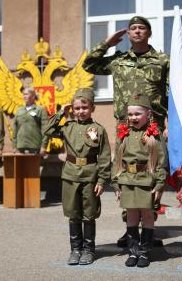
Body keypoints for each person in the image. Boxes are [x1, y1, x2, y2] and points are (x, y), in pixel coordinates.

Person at [83, 15, 170, 247]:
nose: (137, 31)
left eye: (142, 28)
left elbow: (174, 92)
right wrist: (107, 44)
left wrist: (170, 124)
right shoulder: (118, 60)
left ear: (149, 33)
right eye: (133, 28)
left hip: (154, 125)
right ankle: (130, 229)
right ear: (128, 34)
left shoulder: (162, 60)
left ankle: (149, 229)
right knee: (128, 170)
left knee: (150, 172)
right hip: (124, 125)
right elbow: (88, 64)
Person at [43, 88, 111, 266]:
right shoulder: (67, 127)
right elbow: (47, 130)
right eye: (77, 108)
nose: (81, 111)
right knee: (73, 214)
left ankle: (89, 250)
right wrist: (62, 113)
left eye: (84, 107)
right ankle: (75, 250)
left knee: (89, 215)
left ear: (92, 108)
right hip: (71, 175)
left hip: (90, 175)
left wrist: (102, 180)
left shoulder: (99, 129)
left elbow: (104, 157)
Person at [112, 94, 167, 268]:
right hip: (128, 180)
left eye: (137, 114)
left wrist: (159, 184)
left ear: (148, 114)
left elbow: (160, 161)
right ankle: (133, 252)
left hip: (146, 181)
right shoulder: (124, 133)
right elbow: (117, 161)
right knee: (132, 216)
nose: (133, 117)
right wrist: (116, 183)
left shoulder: (154, 134)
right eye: (130, 114)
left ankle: (144, 253)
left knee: (148, 216)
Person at [12, 87, 48, 155]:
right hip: (20, 147)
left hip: (34, 146)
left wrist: (44, 146)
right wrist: (14, 146)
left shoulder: (40, 109)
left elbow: (45, 129)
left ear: (33, 96)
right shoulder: (19, 110)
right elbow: (15, 129)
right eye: (24, 95)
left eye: (26, 94)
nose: (24, 96)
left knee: (33, 165)